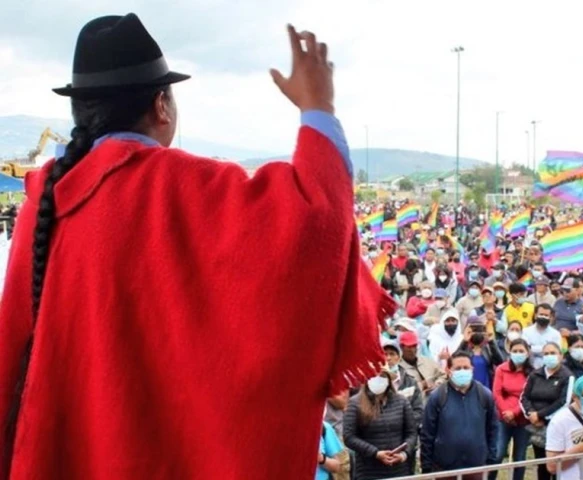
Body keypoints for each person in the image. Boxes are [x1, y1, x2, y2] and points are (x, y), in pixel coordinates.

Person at [0, 17, 395, 479]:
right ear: (161, 105)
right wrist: (318, 109)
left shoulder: (43, 203)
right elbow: (314, 223)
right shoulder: (189, 187)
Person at [420, 351, 499, 479]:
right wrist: (426, 466)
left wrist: (491, 459)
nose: (462, 371)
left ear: (472, 369)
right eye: (458, 368)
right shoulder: (437, 397)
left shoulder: (485, 395)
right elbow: (427, 433)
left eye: (466, 368)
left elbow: (493, 429)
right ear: (449, 370)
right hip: (444, 469)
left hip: (476, 467)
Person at [344, 370, 417, 479]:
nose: (377, 379)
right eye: (373, 376)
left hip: (400, 470)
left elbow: (412, 433)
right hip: (368, 471)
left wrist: (404, 454)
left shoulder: (401, 401)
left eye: (381, 376)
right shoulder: (355, 403)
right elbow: (349, 437)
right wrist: (375, 453)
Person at [520, 342, 573, 480]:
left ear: (561, 356)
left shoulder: (567, 376)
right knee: (541, 465)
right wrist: (531, 414)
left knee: (556, 465)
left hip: (557, 426)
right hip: (537, 428)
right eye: (546, 354)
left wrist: (541, 416)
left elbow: (564, 402)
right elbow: (524, 397)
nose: (549, 356)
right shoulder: (534, 375)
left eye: (553, 353)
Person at [489, 339, 533, 480]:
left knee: (519, 458)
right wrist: (506, 412)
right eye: (515, 351)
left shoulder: (532, 373)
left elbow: (528, 396)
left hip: (523, 420)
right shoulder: (502, 369)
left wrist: (514, 412)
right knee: (498, 454)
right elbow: (497, 393)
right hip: (502, 419)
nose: (518, 354)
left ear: (528, 353)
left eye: (521, 351)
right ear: (509, 351)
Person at [457, 316, 504, 389]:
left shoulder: (488, 348)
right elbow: (454, 360)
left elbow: (500, 362)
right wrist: (464, 341)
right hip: (467, 388)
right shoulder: (464, 348)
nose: (477, 332)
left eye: (479, 329)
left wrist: (491, 341)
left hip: (486, 388)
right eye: (474, 329)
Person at [398, 331, 446, 399]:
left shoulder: (427, 361)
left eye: (414, 346)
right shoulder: (398, 368)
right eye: (409, 347)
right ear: (401, 347)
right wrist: (421, 386)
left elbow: (443, 375)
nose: (412, 350)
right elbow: (399, 393)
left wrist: (437, 384)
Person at [521, 304, 562, 369]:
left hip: (549, 367)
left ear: (551, 318)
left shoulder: (556, 334)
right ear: (535, 316)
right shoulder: (526, 332)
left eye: (546, 315)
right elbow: (526, 350)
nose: (543, 317)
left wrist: (533, 348)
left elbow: (556, 353)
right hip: (528, 367)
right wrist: (545, 348)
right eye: (541, 314)